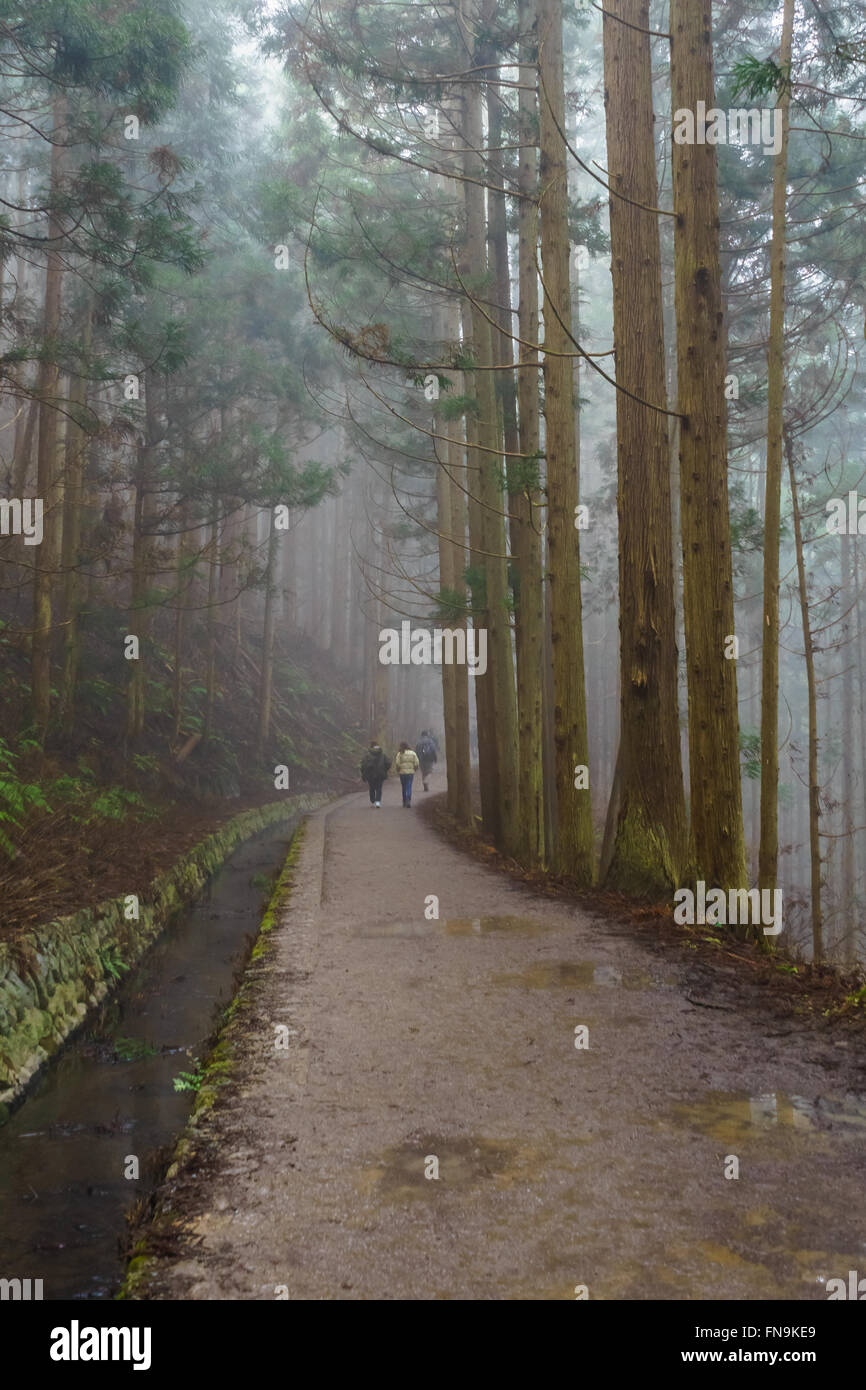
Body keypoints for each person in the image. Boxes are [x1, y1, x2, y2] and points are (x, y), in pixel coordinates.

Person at [360, 740, 390, 807]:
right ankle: (378, 802)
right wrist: (385, 770)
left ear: (371, 746)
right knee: (379, 788)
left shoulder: (367, 755)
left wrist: (363, 773)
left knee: (371, 787)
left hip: (370, 774)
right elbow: (388, 763)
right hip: (380, 773)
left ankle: (373, 801)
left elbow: (363, 765)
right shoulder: (383, 754)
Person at [394, 741, 420, 807]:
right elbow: (417, 763)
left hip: (402, 773)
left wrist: (398, 769)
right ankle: (408, 798)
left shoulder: (399, 754)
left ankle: (404, 801)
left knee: (403, 787)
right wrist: (415, 769)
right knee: (409, 786)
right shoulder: (413, 753)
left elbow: (397, 763)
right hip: (410, 773)